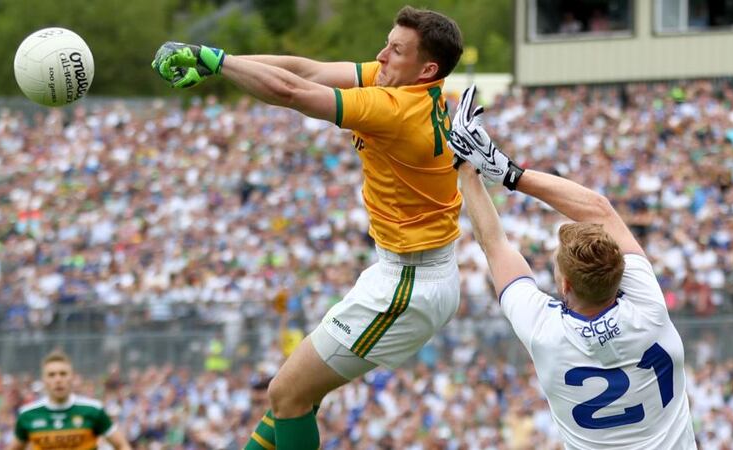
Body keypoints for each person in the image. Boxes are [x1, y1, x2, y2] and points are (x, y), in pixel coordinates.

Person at [152, 6, 463, 449]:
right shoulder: (398, 81)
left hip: (409, 285)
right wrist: (217, 63)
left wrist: (218, 60)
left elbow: (290, 90)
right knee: (298, 394)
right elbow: (307, 68)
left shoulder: (396, 107)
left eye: (395, 50)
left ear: (426, 68)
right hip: (404, 273)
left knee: (287, 395)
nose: (382, 54)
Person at [448, 86, 696, 449]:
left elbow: (495, 245)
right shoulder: (649, 309)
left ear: (565, 285)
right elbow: (600, 211)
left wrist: (466, 168)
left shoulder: (545, 333)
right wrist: (509, 173)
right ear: (619, 273)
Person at [9, 350, 130, 450]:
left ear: (72, 377)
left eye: (63, 374)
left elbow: (121, 445)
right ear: (44, 379)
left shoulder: (93, 410)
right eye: (52, 375)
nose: (58, 379)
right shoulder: (27, 414)